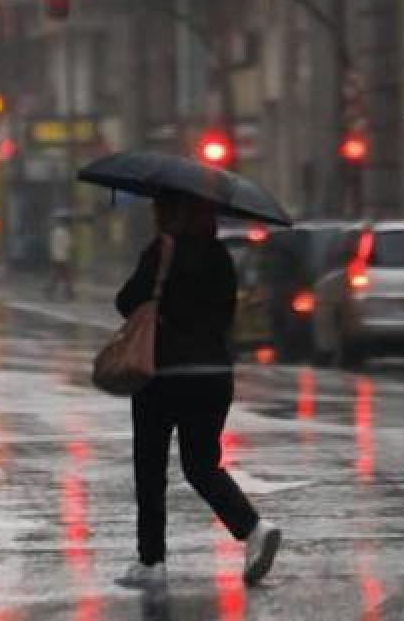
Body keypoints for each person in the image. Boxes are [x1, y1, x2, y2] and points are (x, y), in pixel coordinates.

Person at [114, 193, 281, 588]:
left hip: (164, 374)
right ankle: (254, 528)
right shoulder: (221, 257)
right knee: (202, 465)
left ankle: (151, 562)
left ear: (170, 211)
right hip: (214, 374)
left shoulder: (162, 250)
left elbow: (125, 302)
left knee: (150, 466)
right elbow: (225, 314)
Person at [46, 212, 75, 301]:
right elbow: (69, 244)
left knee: (57, 275)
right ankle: (69, 292)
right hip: (63, 257)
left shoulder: (54, 231)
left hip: (55, 256)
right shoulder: (65, 232)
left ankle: (51, 290)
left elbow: (51, 244)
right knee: (66, 275)